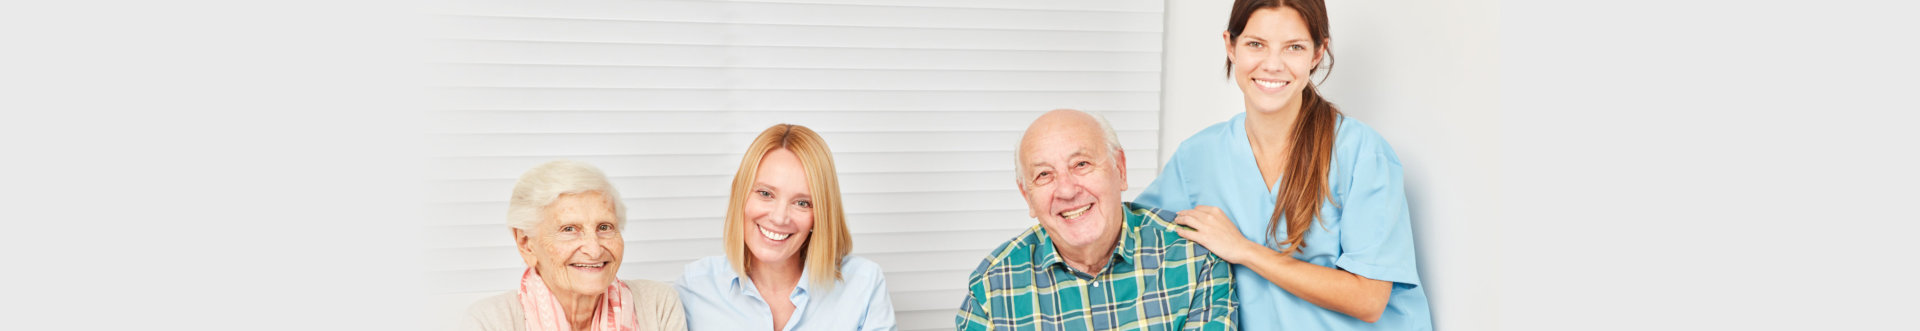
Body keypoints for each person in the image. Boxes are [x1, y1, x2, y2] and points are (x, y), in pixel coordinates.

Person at [1134, 0, 1435, 329]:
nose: (1273, 64)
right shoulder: (1197, 157)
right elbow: (1134, 240)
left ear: (1317, 53)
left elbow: (1369, 299)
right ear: (1230, 46)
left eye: (1293, 47)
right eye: (1255, 44)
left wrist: (1244, 250)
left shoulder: (1362, 153)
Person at [955, 109, 1237, 330]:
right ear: (1027, 195)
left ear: (1120, 169)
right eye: (1044, 175)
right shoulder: (992, 287)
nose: (1066, 190)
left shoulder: (1193, 256)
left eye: (1081, 164)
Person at [674, 124, 896, 331]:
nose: (779, 218)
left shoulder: (863, 284)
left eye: (802, 203)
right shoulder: (696, 287)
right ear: (741, 196)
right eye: (765, 194)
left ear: (819, 216)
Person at [465, 160, 688, 331]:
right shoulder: (490, 321)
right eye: (569, 229)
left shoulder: (657, 303)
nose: (594, 249)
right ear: (526, 244)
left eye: (604, 227)